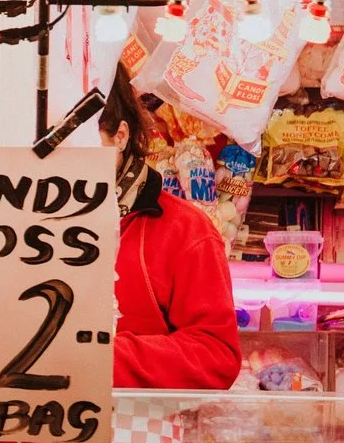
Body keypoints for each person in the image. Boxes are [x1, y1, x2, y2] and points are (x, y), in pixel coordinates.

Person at [104, 69, 243, 390]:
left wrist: (96, 357)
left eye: (82, 143)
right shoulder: (24, 220)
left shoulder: (185, 229)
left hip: (138, 430)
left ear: (120, 137)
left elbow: (216, 356)